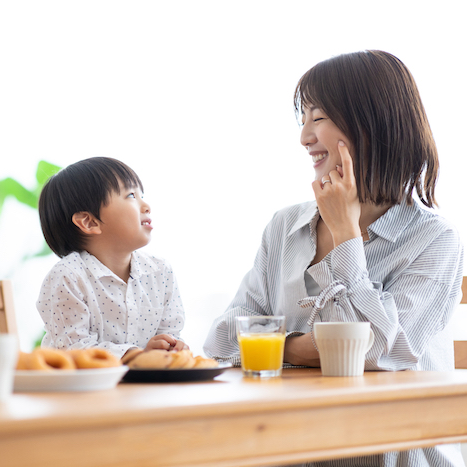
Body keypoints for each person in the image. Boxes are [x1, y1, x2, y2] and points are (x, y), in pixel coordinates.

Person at [204, 50, 463, 466]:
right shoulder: (284, 226)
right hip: (293, 445)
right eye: (302, 119)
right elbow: (220, 339)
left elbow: (380, 353)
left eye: (318, 117)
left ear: (371, 123)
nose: (304, 137)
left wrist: (345, 233)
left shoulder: (434, 239)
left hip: (390, 452)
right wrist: (294, 348)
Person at [36, 157, 187, 358]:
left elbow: (170, 332)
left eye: (142, 195)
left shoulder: (160, 272)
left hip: (143, 387)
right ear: (89, 222)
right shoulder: (68, 276)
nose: (146, 206)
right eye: (131, 195)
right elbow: (75, 349)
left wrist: (170, 347)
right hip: (78, 388)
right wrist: (136, 357)